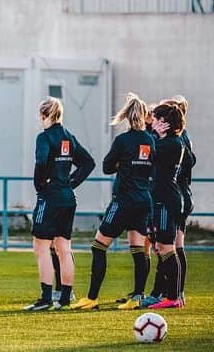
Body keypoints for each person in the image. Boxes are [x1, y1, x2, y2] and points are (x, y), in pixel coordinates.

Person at [68, 93, 154, 311]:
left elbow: (107, 167)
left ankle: (92, 298)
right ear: (144, 116)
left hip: (124, 200)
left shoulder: (123, 140)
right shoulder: (151, 140)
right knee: (138, 249)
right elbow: (151, 168)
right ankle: (137, 297)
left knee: (98, 247)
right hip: (144, 200)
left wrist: (122, 165)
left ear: (127, 116)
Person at [23, 97, 95, 311]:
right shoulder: (68, 137)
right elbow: (88, 162)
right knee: (64, 247)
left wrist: (40, 185)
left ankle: (46, 298)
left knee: (40, 246)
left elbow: (41, 161)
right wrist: (71, 182)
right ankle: (64, 297)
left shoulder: (44, 137)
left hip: (51, 197)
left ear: (44, 115)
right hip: (67, 198)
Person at [143, 100, 187, 310]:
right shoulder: (166, 142)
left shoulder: (171, 143)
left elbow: (149, 150)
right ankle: (170, 294)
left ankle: (174, 296)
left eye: (157, 121)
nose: (153, 124)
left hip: (167, 202)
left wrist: (150, 133)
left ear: (165, 123)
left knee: (167, 248)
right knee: (161, 247)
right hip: (160, 200)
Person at [172, 96, 194, 305]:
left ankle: (177, 292)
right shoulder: (181, 138)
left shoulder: (181, 140)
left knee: (174, 245)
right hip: (180, 196)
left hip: (179, 196)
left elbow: (188, 163)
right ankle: (172, 291)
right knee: (172, 245)